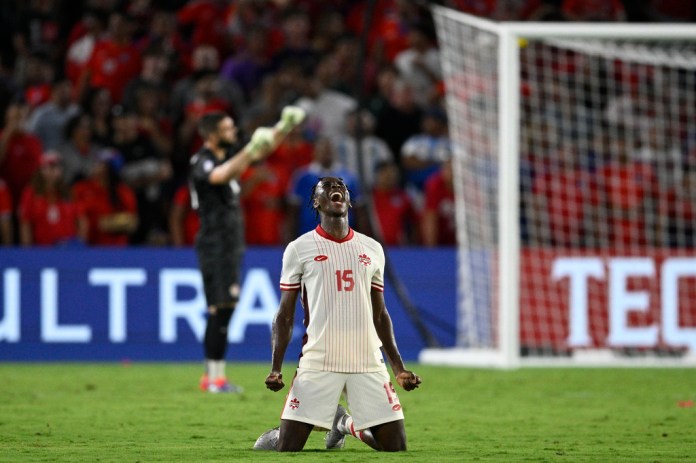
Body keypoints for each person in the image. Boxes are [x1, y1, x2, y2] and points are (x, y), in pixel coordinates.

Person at [255, 176, 422, 451]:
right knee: (287, 448)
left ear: (348, 200)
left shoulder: (372, 249)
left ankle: (342, 423)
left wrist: (399, 368)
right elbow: (284, 315)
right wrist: (275, 368)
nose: (336, 189)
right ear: (316, 202)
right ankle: (316, 423)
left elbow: (380, 315)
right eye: (327, 187)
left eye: (341, 187)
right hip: (319, 359)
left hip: (367, 360)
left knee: (395, 447)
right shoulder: (299, 249)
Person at [189, 105, 306, 393]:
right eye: (228, 129)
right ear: (212, 134)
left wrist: (283, 125)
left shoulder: (227, 157)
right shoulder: (202, 160)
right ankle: (214, 378)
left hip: (229, 244)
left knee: (224, 309)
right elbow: (219, 176)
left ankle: (214, 377)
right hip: (216, 244)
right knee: (220, 309)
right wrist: (251, 149)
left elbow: (258, 150)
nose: (234, 132)